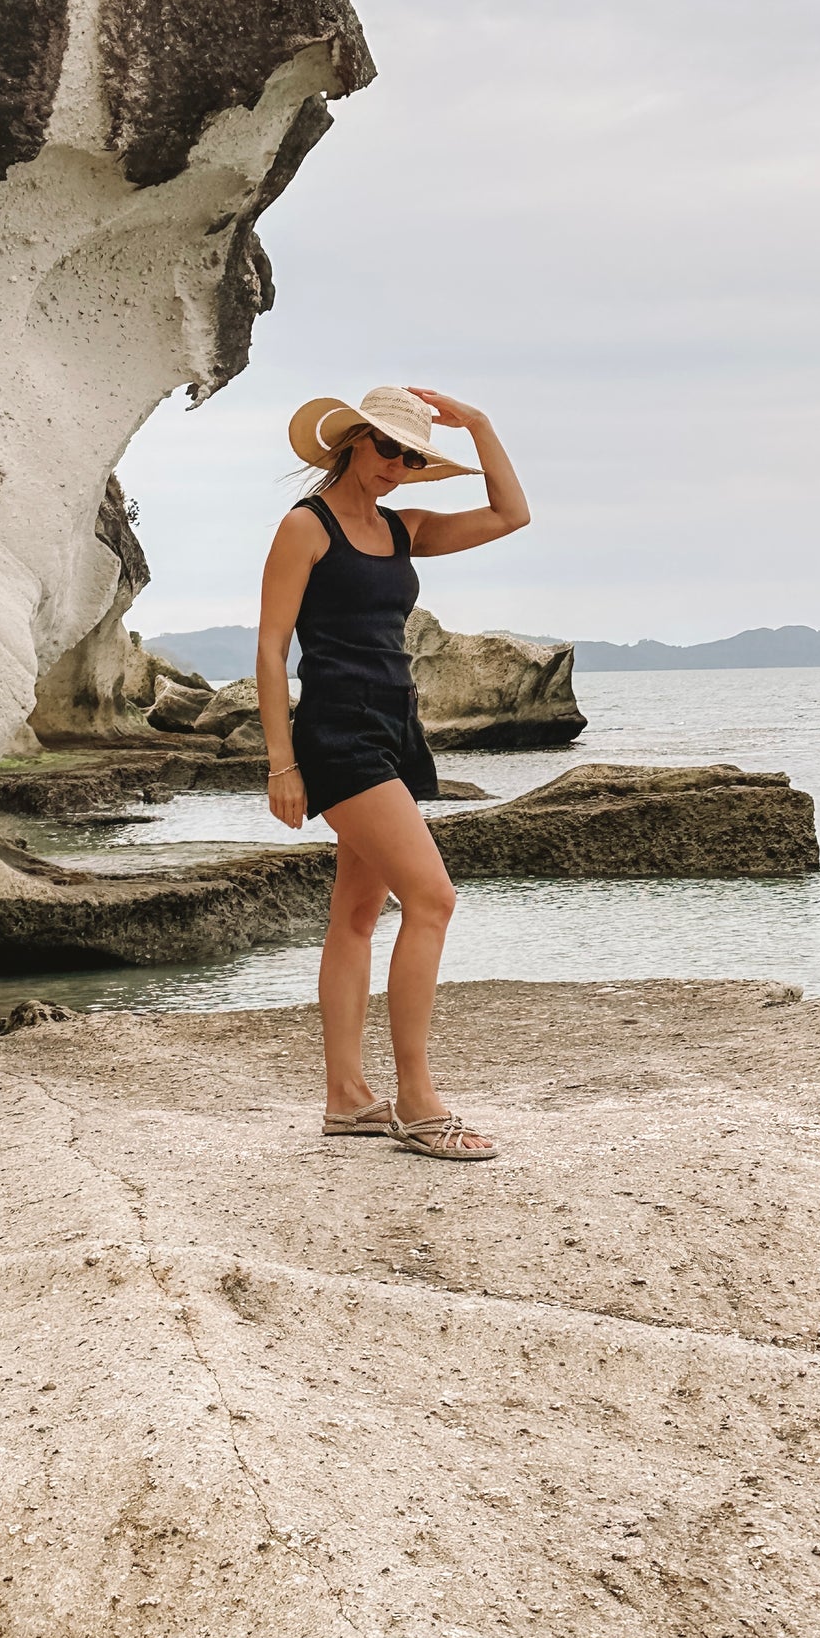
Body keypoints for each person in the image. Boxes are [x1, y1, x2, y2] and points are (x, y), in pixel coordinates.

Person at [257, 384, 530, 1161]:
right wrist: (282, 761)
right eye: (387, 449)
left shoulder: (402, 530)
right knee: (433, 897)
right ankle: (416, 1100)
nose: (397, 467)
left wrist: (477, 423)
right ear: (351, 441)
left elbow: (511, 515)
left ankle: (346, 1099)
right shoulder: (303, 528)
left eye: (411, 457)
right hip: (337, 733)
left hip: (395, 728)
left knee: (353, 915)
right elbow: (272, 648)